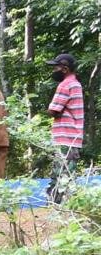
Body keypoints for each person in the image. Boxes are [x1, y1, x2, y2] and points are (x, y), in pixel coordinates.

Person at [45, 53, 84, 201]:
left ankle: (58, 206)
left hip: (65, 138)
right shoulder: (76, 84)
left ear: (65, 68)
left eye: (56, 67)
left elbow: (54, 110)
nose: (54, 70)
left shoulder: (65, 84)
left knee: (60, 175)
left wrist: (50, 109)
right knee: (67, 173)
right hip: (73, 138)